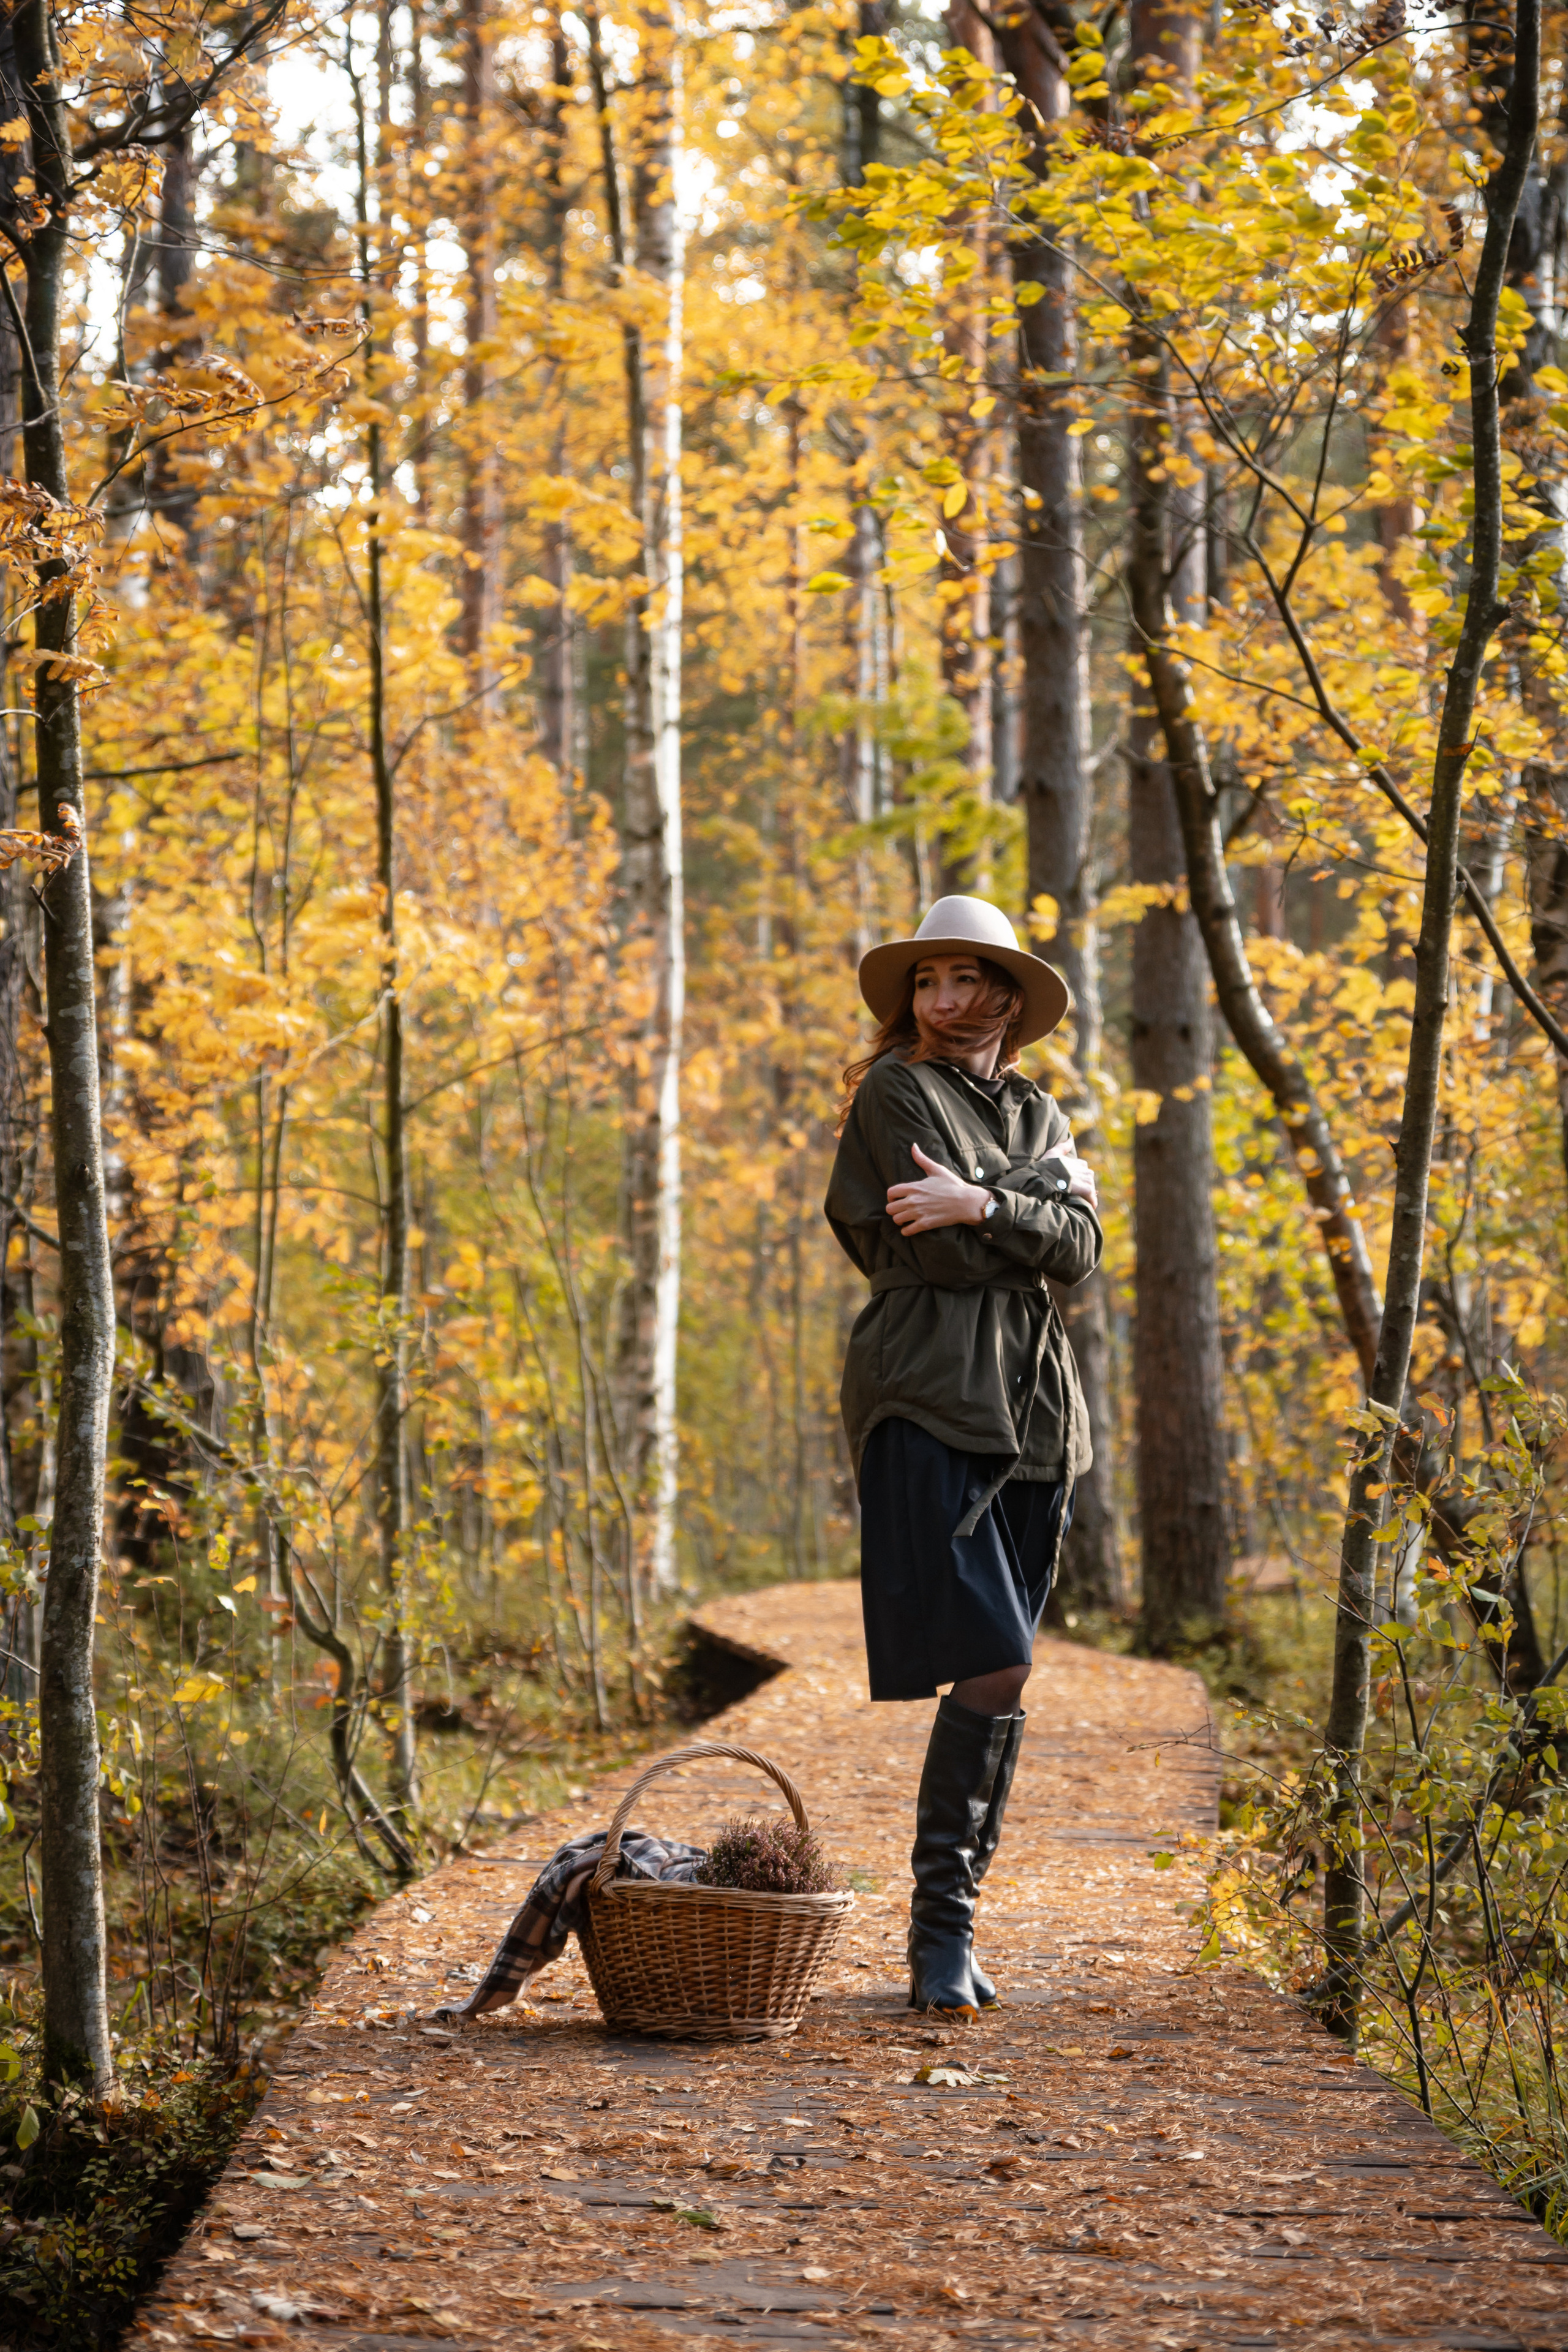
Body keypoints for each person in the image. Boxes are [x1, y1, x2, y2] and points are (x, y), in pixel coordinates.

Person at [824, 895, 1102, 2019]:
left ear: (1005, 997)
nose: (941, 1003)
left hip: (1039, 1411)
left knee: (1009, 1657)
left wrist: (981, 1200)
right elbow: (938, 1259)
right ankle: (939, 1927)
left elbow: (1080, 1254)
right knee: (1000, 1655)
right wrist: (1035, 1201)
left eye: (962, 981)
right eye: (925, 983)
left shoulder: (1040, 1107)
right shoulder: (895, 1090)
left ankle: (957, 1923)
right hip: (930, 1393)